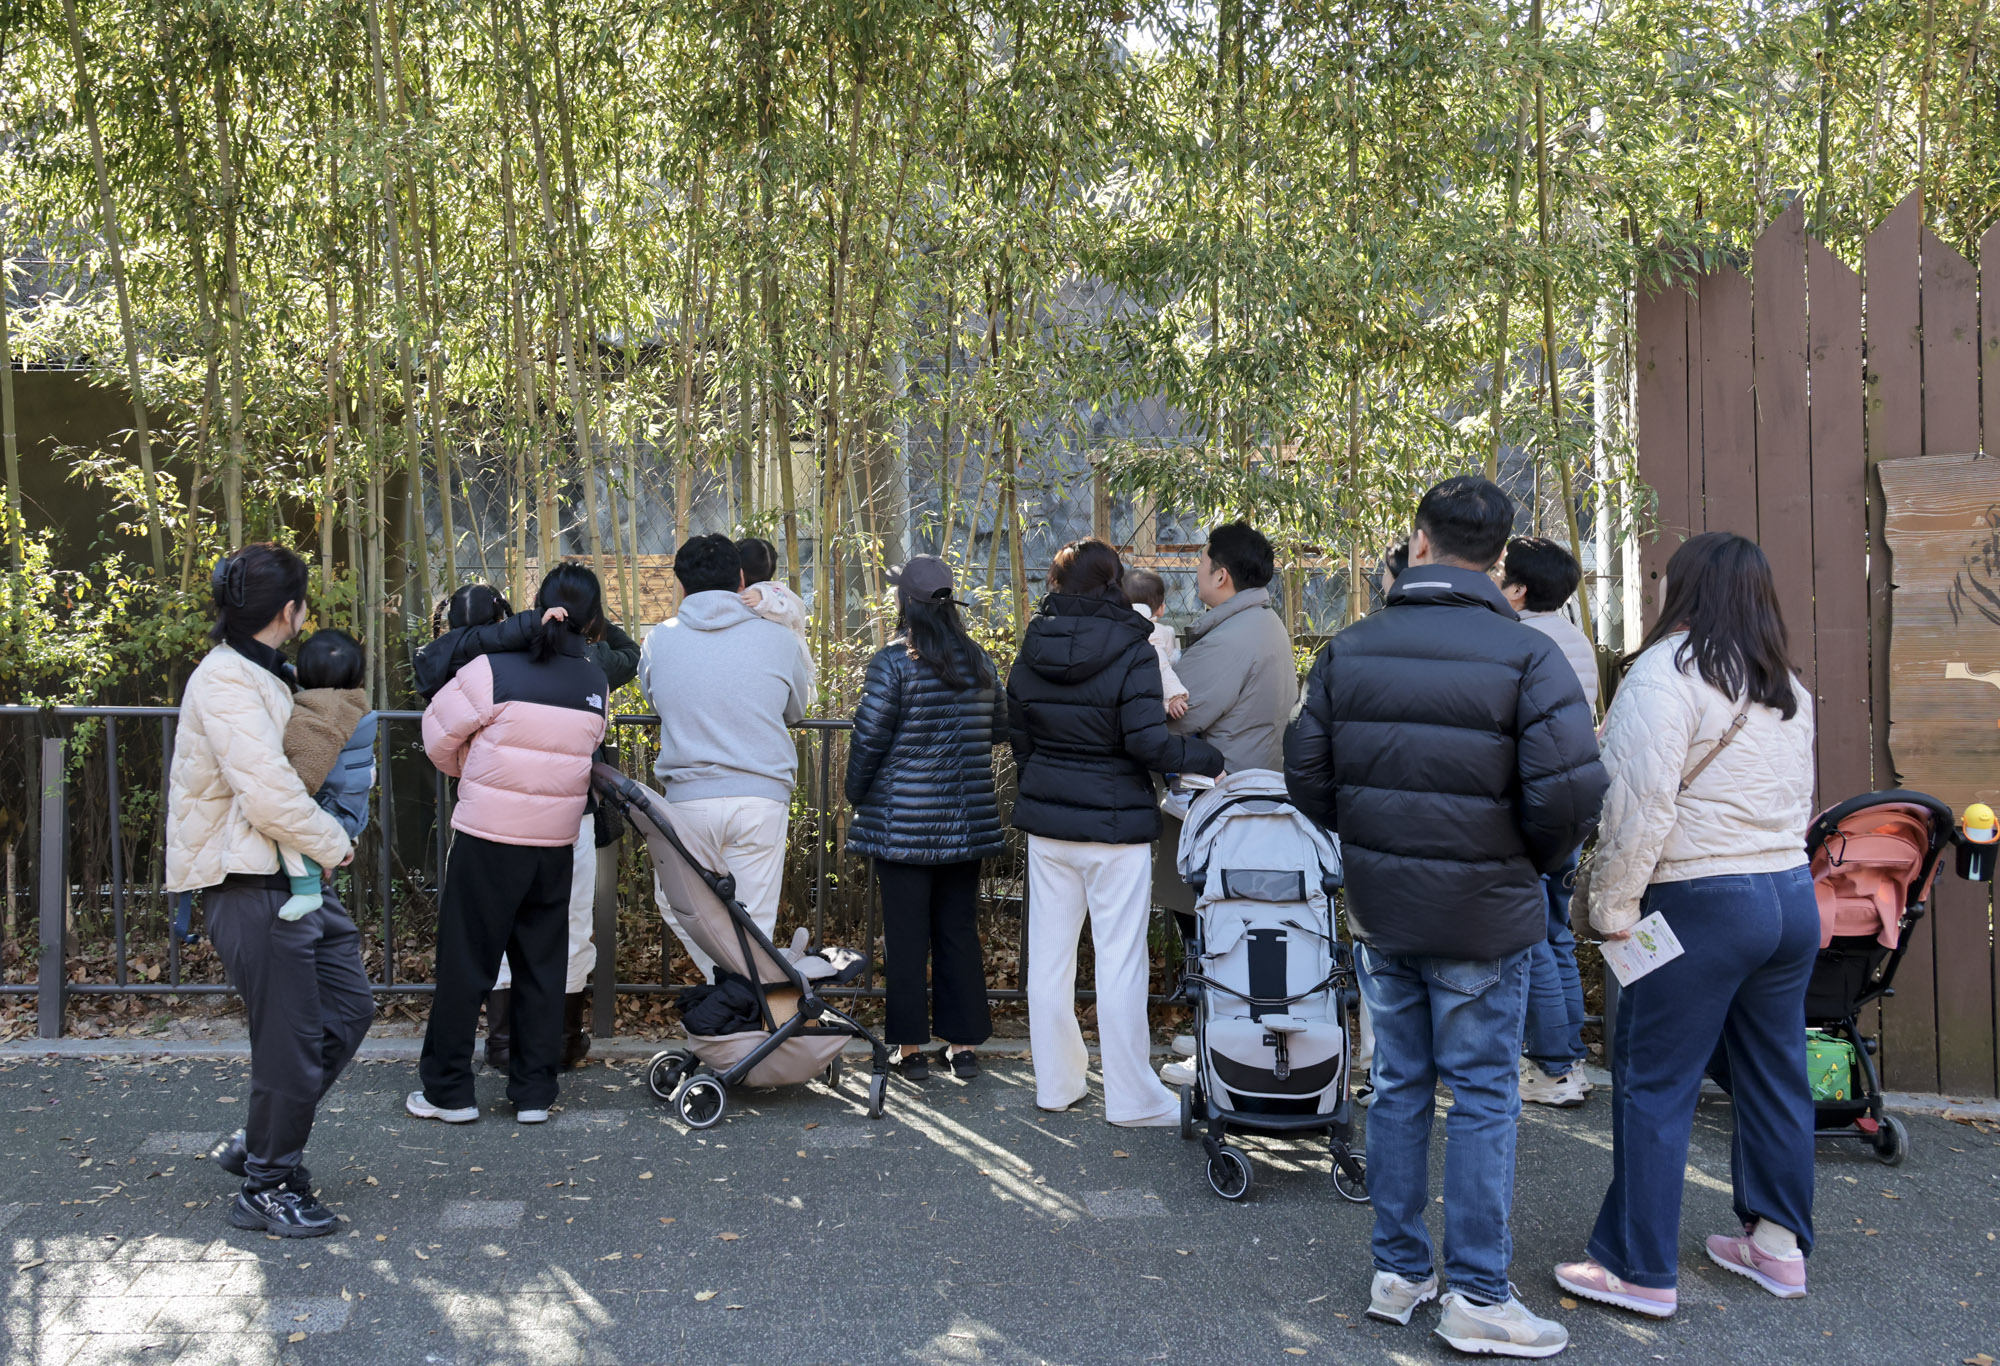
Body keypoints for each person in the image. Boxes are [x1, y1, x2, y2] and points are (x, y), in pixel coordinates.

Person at [1285, 475, 1606, 1357]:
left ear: (1418, 542)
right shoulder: (1528, 656)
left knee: (1399, 1086)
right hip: (1485, 912)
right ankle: (1478, 1293)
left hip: (1384, 906)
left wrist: (1374, 837)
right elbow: (1570, 795)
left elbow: (1306, 775)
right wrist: (1526, 859)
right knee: (1484, 1097)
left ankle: (1398, 1272)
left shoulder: (1350, 649)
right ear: (1499, 560)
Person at [1554, 532, 1818, 1318]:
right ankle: (1778, 1246)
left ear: (1686, 588)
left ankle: (1639, 1269)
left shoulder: (1666, 673)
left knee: (1654, 1082)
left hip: (1702, 900)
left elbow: (1636, 809)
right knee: (1775, 1075)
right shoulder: (1786, 686)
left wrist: (1611, 910)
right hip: (1790, 895)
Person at [166, 544, 365, 1238]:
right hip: (250, 881)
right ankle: (267, 1185)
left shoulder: (265, 672)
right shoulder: (225, 679)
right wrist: (335, 842)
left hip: (288, 874)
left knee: (349, 1009)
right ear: (290, 610)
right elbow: (270, 793)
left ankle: (262, 1141)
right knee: (291, 1043)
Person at [1007, 538, 1225, 1126]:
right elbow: (1147, 743)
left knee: (1049, 961)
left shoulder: (1033, 641)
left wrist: (1043, 781)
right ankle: (1131, 1099)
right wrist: (1207, 757)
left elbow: (1018, 729)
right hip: (1115, 827)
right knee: (1120, 960)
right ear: (1113, 582)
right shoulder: (1133, 645)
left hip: (1049, 827)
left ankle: (1056, 1085)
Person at [410, 564, 609, 1126]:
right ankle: (533, 1093)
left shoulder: (492, 668)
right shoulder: (594, 682)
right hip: (554, 842)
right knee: (543, 967)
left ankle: (449, 1092)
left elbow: (436, 735)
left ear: (537, 606)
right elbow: (587, 748)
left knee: (466, 964)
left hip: (487, 839)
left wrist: (476, 770)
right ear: (593, 620)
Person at [845, 555, 1006, 1082]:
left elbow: (869, 739)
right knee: (957, 929)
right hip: (966, 821)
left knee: (906, 934)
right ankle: (963, 1047)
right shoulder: (978, 660)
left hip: (903, 824)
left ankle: (909, 1049)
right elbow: (1000, 726)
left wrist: (856, 793)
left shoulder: (893, 662)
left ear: (904, 603)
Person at [639, 534, 813, 981]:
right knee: (753, 921)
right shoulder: (779, 638)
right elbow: (796, 709)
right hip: (761, 796)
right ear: (740, 579)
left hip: (687, 800)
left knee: (677, 904)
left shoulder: (659, 640)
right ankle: (748, 995)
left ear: (681, 586)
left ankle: (735, 994)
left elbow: (656, 700)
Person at [1498, 537, 1599, 1109]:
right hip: (1574, 804)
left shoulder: (1519, 641)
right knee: (1555, 932)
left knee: (1532, 936)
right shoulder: (1576, 639)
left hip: (1532, 804)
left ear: (1518, 589)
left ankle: (1551, 1067)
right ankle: (1571, 1060)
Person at [1167, 520, 1297, 772]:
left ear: (1220, 576)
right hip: (1262, 778)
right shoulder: (1267, 621)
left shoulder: (1225, 642)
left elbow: (1170, 720)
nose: (1197, 570)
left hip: (1229, 785)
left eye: (1201, 562)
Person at [275, 629, 375, 921]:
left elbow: (302, 780)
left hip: (332, 811)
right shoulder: (351, 704)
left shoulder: (317, 721)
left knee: (288, 825)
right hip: (353, 807)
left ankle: (306, 890)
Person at [737, 536, 818, 708]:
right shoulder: (775, 592)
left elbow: (787, 609)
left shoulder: (766, 595)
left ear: (739, 572)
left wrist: (763, 598)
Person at [1125, 568, 1188, 719]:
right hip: (1148, 697)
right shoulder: (1154, 633)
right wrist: (1174, 696)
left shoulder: (1117, 626)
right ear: (1161, 609)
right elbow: (1161, 666)